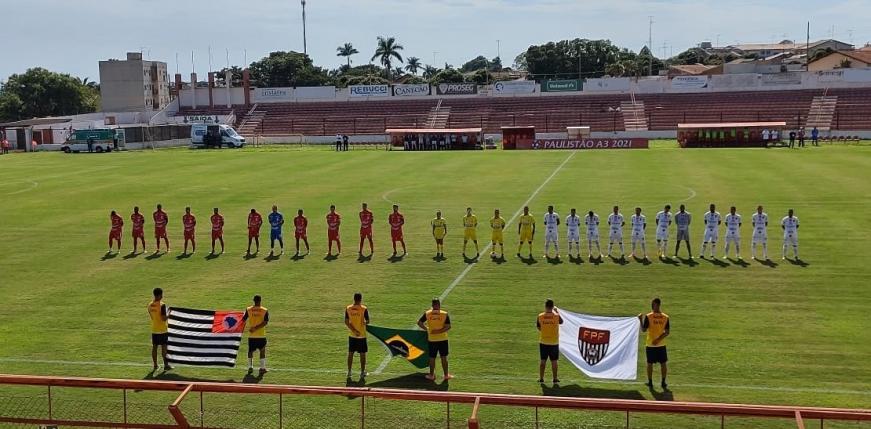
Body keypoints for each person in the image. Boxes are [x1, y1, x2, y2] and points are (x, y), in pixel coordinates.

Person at [417, 298, 453, 382]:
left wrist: (427, 329)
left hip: (432, 339)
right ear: (439, 305)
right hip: (443, 339)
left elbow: (419, 322)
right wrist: (439, 331)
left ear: (432, 305)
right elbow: (448, 326)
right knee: (443, 357)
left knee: (432, 357)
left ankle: (431, 375)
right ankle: (446, 375)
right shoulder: (444, 314)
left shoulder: (428, 313)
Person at [638, 298, 670, 389]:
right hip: (661, 344)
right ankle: (661, 382)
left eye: (653, 304)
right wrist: (659, 340)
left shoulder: (649, 316)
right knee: (661, 363)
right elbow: (667, 332)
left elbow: (643, 330)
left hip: (651, 344)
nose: (652, 306)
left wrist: (640, 319)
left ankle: (652, 382)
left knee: (651, 363)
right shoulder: (665, 317)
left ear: (655, 305)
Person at [536, 299, 563, 384]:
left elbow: (538, 327)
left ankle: (541, 378)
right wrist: (556, 311)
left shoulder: (540, 316)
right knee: (554, 361)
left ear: (545, 306)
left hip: (543, 341)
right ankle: (555, 379)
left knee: (543, 361)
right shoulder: (556, 316)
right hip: (554, 342)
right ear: (552, 306)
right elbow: (561, 322)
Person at [345, 292, 370, 379]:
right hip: (362, 335)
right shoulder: (364, 309)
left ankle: (349, 372)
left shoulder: (348, 308)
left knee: (350, 353)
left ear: (354, 299)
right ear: (361, 299)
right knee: (362, 354)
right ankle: (362, 372)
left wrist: (354, 331)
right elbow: (368, 321)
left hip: (352, 335)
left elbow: (346, 322)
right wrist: (364, 323)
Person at [243, 295, 269, 374]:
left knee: (250, 351)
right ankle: (262, 368)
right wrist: (256, 328)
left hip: (252, 336)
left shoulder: (249, 309)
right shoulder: (264, 310)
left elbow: (243, 319)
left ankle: (250, 367)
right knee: (262, 351)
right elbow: (265, 322)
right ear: (260, 300)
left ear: (253, 300)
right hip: (261, 335)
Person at [147, 287, 172, 371]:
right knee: (164, 347)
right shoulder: (162, 305)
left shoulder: (150, 305)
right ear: (160, 295)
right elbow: (164, 318)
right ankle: (166, 365)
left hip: (154, 329)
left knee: (154, 347)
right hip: (162, 330)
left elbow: (152, 317)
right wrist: (169, 314)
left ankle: (155, 365)